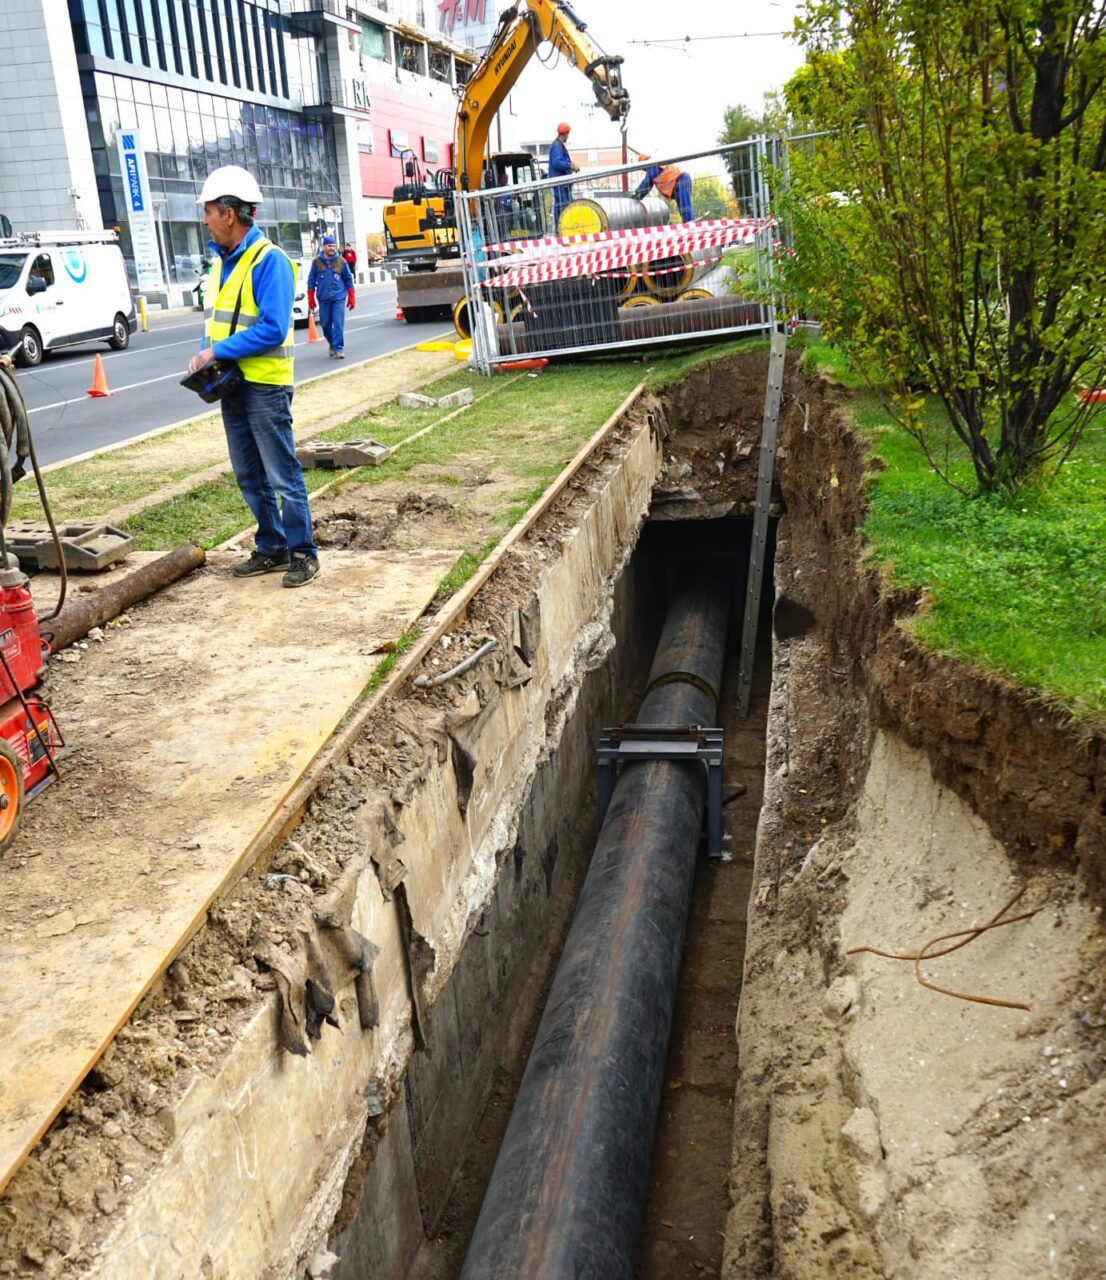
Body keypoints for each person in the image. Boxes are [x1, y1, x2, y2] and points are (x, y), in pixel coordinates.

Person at [187, 164, 319, 588]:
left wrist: (216, 351)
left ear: (229, 213)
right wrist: (208, 358)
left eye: (208, 211)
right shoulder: (220, 264)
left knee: (281, 473)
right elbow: (224, 322)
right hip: (231, 384)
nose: (204, 220)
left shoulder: (270, 260)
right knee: (248, 473)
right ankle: (272, 547)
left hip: (264, 385)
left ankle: (303, 553)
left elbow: (273, 327)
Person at [307, 236, 356, 360]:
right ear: (324, 247)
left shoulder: (341, 261)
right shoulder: (316, 262)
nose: (332, 248)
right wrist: (310, 298)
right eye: (329, 246)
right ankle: (332, 344)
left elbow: (348, 280)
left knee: (338, 324)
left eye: (334, 246)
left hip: (338, 298)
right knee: (325, 324)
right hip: (323, 299)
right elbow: (311, 281)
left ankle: (339, 348)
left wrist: (351, 296)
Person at [634, 154, 695, 223]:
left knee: (685, 206)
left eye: (644, 168)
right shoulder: (656, 164)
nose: (645, 170)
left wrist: (638, 194)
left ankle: (690, 223)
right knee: (684, 206)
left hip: (679, 180)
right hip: (679, 180)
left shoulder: (653, 165)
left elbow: (648, 181)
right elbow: (650, 182)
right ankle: (689, 222)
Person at [548, 122, 579, 229]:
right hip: (560, 182)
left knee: (564, 205)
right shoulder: (557, 147)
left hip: (562, 183)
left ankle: (563, 227)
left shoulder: (558, 146)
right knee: (561, 206)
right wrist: (570, 166)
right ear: (566, 133)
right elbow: (556, 163)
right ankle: (560, 228)